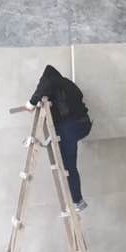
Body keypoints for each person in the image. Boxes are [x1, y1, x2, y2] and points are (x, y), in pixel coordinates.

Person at [24, 65, 92, 211]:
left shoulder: (51, 79)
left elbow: (47, 79)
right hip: (82, 124)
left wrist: (31, 103)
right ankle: (77, 200)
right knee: (68, 163)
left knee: (68, 164)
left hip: (71, 126)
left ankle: (77, 200)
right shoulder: (67, 84)